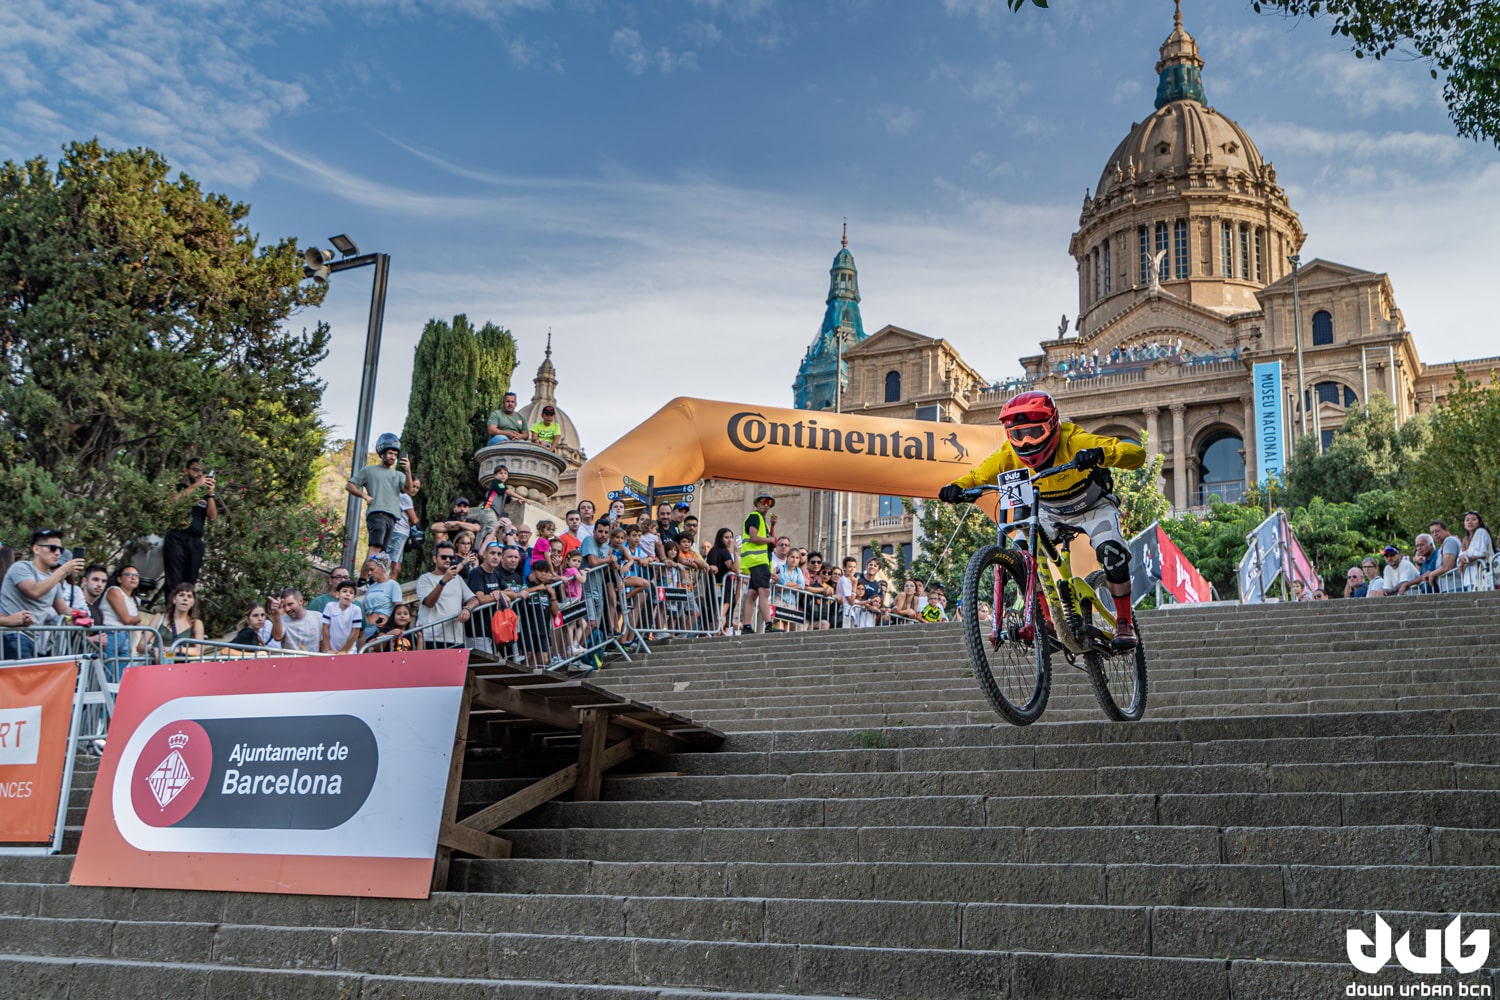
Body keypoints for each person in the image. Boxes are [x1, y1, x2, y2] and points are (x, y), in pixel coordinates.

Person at [939, 390, 1146, 650]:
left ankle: (1124, 622)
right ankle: (1049, 621)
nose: (1025, 442)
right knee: (1021, 554)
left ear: (1052, 425)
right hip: (1048, 510)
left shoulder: (1074, 440)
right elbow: (978, 475)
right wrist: (956, 487)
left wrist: (1100, 455)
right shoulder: (1008, 454)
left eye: (1034, 433)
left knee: (1111, 552)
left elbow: (1136, 455)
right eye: (1017, 435)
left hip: (1093, 506)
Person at [0, 530, 85, 659]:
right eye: (52, 548)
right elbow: (34, 591)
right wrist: (63, 570)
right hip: (12, 635)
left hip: (31, 639)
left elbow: (63, 609)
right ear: (36, 549)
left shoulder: (53, 580)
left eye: (60, 550)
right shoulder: (21, 567)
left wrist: (81, 616)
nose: (57, 553)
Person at [346, 433, 414, 559]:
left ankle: (373, 578)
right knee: (375, 547)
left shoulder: (398, 475)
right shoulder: (369, 470)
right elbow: (350, 485)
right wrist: (365, 496)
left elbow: (409, 490)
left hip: (392, 517)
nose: (393, 457)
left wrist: (408, 470)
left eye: (395, 454)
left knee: (382, 552)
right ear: (382, 453)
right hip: (377, 513)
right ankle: (363, 578)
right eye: (390, 453)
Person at [162, 458, 218, 592]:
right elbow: (171, 503)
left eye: (202, 471)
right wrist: (195, 486)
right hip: (177, 537)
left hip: (195, 541)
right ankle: (170, 610)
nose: (199, 473)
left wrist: (210, 494)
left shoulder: (203, 495)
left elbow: (212, 516)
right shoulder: (178, 488)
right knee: (174, 579)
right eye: (196, 469)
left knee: (190, 582)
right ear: (187, 471)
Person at [416, 542, 479, 649]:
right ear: (435, 559)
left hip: (455, 638)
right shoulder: (425, 578)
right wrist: (443, 581)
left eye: (451, 557)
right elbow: (429, 602)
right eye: (444, 557)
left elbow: (474, 599)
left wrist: (467, 609)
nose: (448, 560)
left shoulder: (457, 579)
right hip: (431, 637)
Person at [739, 491, 778, 634]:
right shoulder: (755, 517)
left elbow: (773, 542)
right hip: (757, 561)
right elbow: (754, 537)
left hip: (758, 561)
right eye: (764, 502)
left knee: (752, 594)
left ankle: (747, 626)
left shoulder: (763, 522)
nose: (766, 505)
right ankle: (768, 624)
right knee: (764, 591)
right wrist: (769, 539)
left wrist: (772, 526)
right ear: (757, 503)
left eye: (769, 503)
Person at [99, 565, 144, 681]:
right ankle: (100, 699)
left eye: (136, 576)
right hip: (112, 634)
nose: (133, 578)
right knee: (106, 674)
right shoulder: (114, 591)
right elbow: (127, 619)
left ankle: (114, 699)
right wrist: (138, 618)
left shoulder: (135, 599)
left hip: (126, 638)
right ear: (119, 579)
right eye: (128, 575)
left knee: (119, 678)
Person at [464, 542, 508, 655]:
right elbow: (481, 599)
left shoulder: (496, 574)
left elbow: (512, 593)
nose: (496, 557)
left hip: (492, 629)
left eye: (499, 554)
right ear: (484, 554)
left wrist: (499, 593)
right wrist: (495, 597)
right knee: (486, 665)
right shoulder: (477, 573)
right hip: (477, 630)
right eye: (492, 553)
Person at [140, 583, 204, 659]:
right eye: (181, 595)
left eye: (189, 596)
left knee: (167, 657)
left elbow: (199, 650)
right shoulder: (160, 617)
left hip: (177, 663)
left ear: (192, 603)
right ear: (174, 599)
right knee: (163, 657)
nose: (185, 598)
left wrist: (179, 649)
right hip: (155, 662)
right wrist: (152, 649)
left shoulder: (196, 623)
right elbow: (140, 645)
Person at [360, 554, 403, 637]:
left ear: (382, 568)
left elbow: (398, 608)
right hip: (366, 625)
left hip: (379, 627)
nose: (369, 573)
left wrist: (388, 622)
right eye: (368, 570)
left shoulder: (393, 585)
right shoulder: (371, 587)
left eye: (372, 569)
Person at [320, 580, 363, 654]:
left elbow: (355, 633)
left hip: (350, 651)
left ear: (354, 598)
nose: (347, 594)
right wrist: (327, 649)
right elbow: (325, 629)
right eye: (344, 591)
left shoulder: (356, 610)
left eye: (351, 593)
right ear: (337, 594)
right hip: (331, 650)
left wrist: (345, 651)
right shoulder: (330, 606)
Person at [1456, 511, 1494, 591]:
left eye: (1473, 519)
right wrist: (1462, 559)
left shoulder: (1481, 532)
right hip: (1470, 578)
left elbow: (1480, 553)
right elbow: (1460, 557)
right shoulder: (1466, 539)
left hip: (1483, 574)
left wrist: (1465, 559)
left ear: (1479, 522)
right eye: (1467, 520)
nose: (1470, 522)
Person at [1422, 519, 1462, 591]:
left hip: (1455, 587)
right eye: (1432, 532)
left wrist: (1432, 574)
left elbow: (1448, 566)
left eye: (1437, 531)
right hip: (1448, 587)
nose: (1435, 534)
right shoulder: (1443, 545)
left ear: (1446, 530)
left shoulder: (1449, 541)